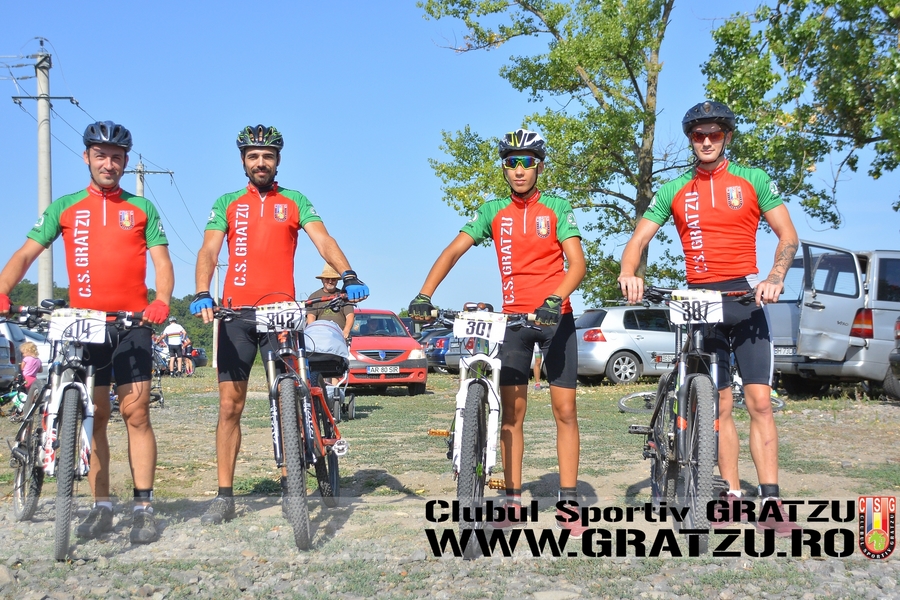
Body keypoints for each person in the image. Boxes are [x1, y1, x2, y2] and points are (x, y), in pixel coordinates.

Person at [617, 100, 801, 536]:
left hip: (745, 297)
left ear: (726, 137)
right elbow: (638, 240)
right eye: (698, 134)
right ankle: (732, 493)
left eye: (714, 133)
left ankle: (771, 501)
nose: (705, 141)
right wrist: (629, 272)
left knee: (759, 402)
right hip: (700, 300)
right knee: (718, 405)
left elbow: (787, 236)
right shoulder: (674, 188)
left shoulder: (753, 179)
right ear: (690, 140)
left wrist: (775, 277)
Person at [407, 129, 588, 537]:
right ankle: (512, 500)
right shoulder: (493, 211)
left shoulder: (557, 207)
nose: (519, 170)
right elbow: (453, 250)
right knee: (511, 415)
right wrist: (423, 293)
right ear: (504, 168)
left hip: (555, 319)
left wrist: (554, 299)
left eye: (527, 162)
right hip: (514, 323)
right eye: (511, 162)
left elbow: (577, 264)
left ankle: (569, 502)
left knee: (565, 411)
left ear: (539, 167)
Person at [0, 120, 174, 544]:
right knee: (93, 416)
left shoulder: (142, 209)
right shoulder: (65, 207)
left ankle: (143, 508)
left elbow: (162, 262)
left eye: (116, 157)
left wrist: (162, 300)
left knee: (136, 413)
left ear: (125, 162)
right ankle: (102, 506)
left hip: (131, 323)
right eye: (101, 156)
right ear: (86, 158)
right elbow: (26, 253)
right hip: (84, 324)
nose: (108, 164)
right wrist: (3, 289)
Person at [190, 124, 369, 525]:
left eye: (267, 156)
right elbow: (209, 249)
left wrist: (348, 273)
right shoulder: (227, 203)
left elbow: (323, 240)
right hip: (236, 315)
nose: (260, 162)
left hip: (282, 314)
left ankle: (292, 485)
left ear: (277, 161)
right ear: (243, 161)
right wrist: (202, 289)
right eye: (253, 156)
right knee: (230, 406)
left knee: (289, 398)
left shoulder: (294, 201)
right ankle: (224, 496)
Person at [307, 263, 355, 340]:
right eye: (327, 279)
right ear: (322, 280)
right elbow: (311, 316)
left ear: (337, 281)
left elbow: (350, 315)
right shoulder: (314, 297)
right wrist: (314, 333)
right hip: (320, 337)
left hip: (340, 337)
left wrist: (346, 331)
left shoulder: (344, 296)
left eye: (333, 279)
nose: (330, 281)